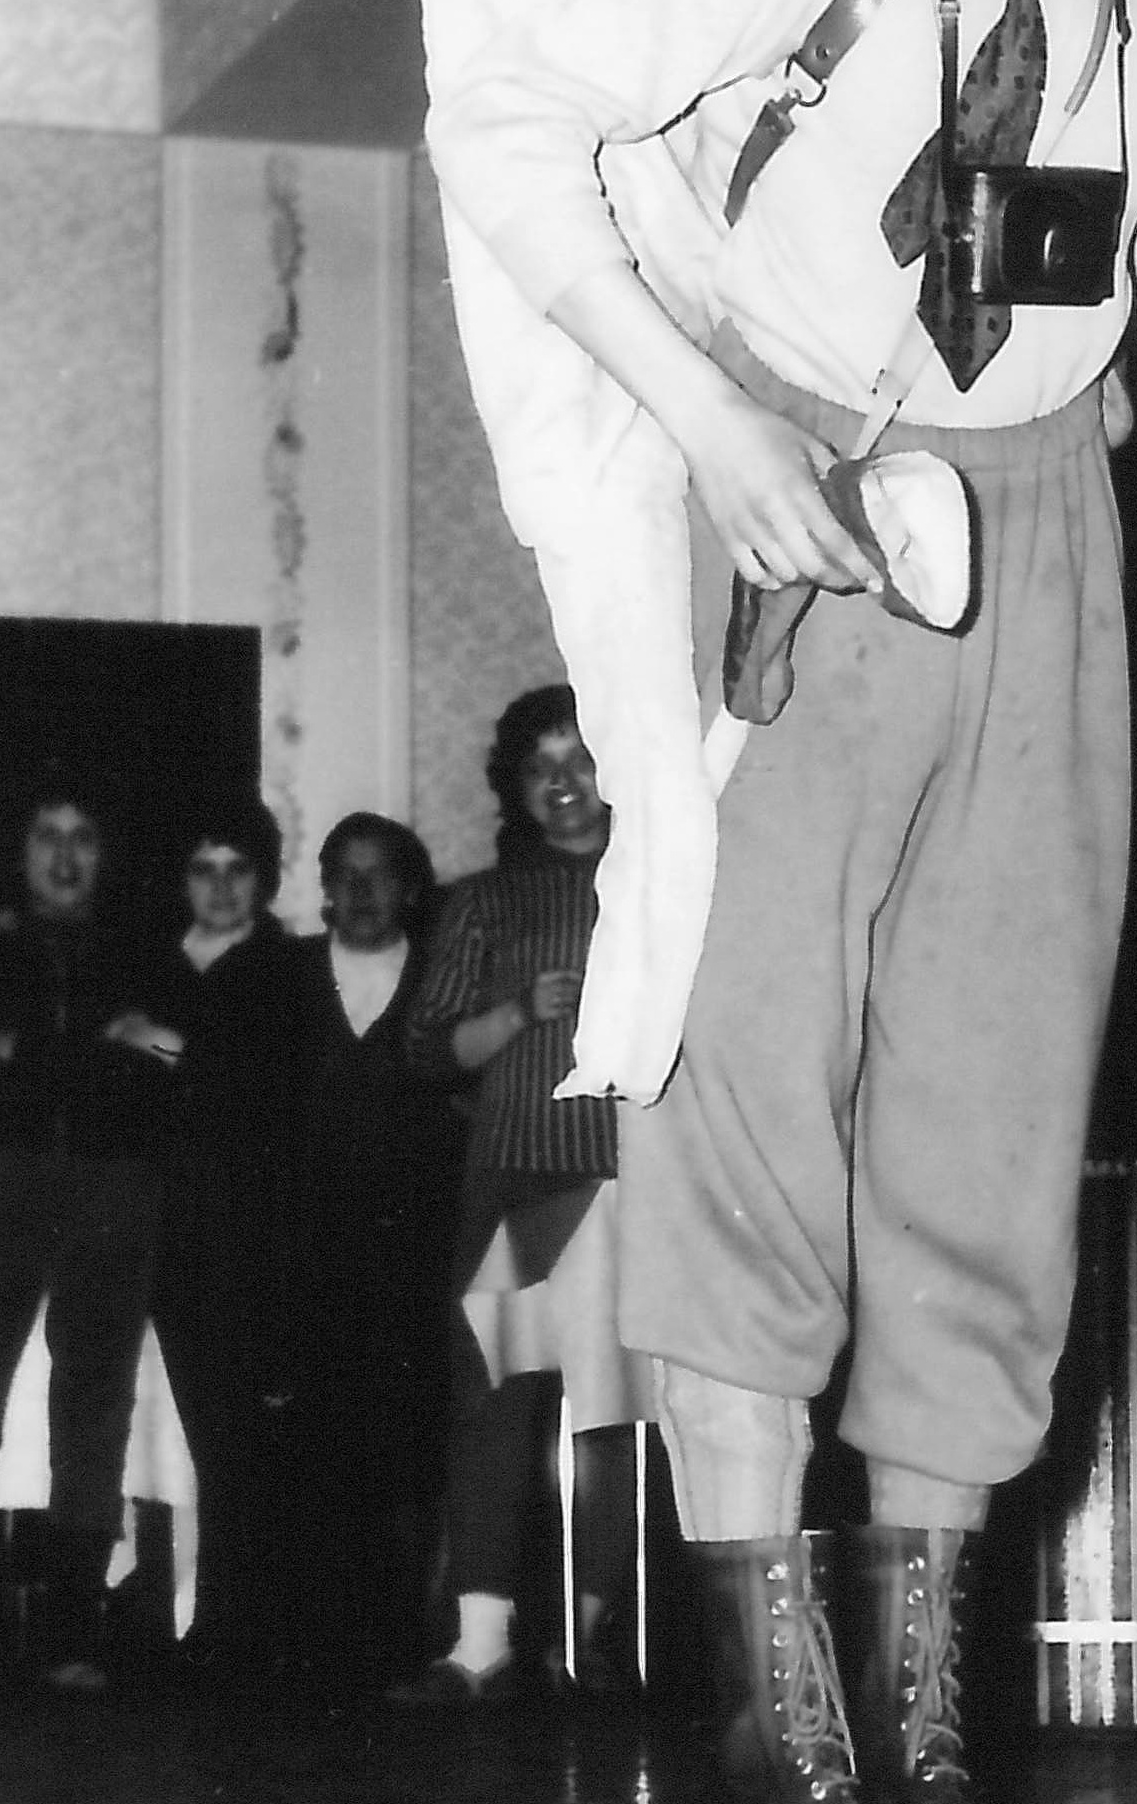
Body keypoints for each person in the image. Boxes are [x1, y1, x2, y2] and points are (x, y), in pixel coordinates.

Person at [418, 0, 1137, 1789]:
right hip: (801, 512)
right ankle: (784, 1707)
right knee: (747, 1098)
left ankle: (915, 1725)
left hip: (1059, 539)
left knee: (995, 1121)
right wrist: (713, 426)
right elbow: (503, 128)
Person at [393, 689, 652, 1707]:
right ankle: (480, 1646)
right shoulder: (485, 901)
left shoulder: (663, 880)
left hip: (632, 1183)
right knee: (494, 1407)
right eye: (540, 766)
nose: (563, 782)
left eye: (579, 758)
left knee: (615, 1415)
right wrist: (515, 1013)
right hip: (513, 1180)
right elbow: (426, 1050)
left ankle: (597, 1643)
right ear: (517, 786)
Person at [0, 786, 171, 1696]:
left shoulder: (147, 954)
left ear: (105, 854)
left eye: (83, 837)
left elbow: (171, 1065)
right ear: (18, 851)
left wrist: (34, 1054)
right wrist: (108, 1046)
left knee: (93, 1408)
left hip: (112, 1187)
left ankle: (72, 1636)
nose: (64, 855)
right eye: (46, 835)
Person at [143, 803, 329, 1687]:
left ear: (265, 878)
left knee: (252, 1437)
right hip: (165, 1227)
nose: (220, 887)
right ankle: (212, 1621)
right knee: (199, 1433)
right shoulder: (149, 964)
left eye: (237, 869)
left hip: (257, 1227)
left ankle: (249, 1628)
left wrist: (162, 1049)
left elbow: (269, 1095)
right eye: (203, 868)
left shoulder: (291, 968)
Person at [290, 811, 464, 1693]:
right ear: (324, 887)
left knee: (408, 1459)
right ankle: (319, 1651)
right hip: (310, 1264)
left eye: (379, 875)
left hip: (415, 1266)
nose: (361, 893)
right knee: (316, 1459)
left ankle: (405, 1641)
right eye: (344, 875)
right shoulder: (285, 979)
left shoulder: (443, 980)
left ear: (409, 889)